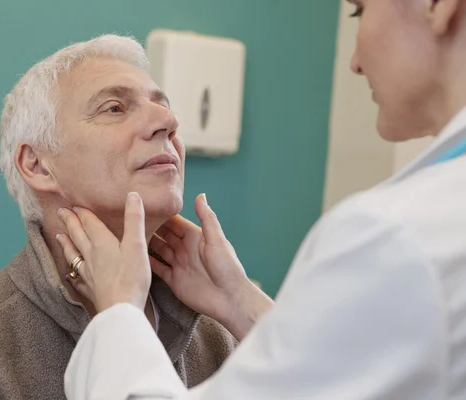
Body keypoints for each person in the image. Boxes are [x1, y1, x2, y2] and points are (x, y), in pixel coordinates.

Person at [59, 0, 466, 398]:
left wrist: (117, 315)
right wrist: (240, 302)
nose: (355, 60)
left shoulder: (397, 238)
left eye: (361, 10)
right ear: (36, 164)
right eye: (114, 108)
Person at [0, 35, 238, 400]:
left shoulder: (224, 337)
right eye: (114, 108)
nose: (168, 120)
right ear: (36, 165)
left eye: (162, 105)